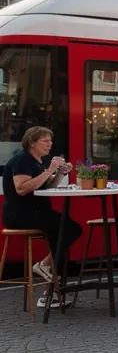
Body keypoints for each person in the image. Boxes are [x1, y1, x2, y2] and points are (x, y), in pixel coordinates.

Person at [1, 127, 80, 304]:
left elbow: (46, 186)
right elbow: (22, 189)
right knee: (67, 229)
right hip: (21, 214)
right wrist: (49, 170)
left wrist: (60, 173)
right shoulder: (22, 160)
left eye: (50, 141)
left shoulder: (37, 162)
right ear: (32, 143)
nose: (49, 144)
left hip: (37, 212)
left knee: (66, 231)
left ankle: (51, 290)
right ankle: (47, 275)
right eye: (45, 141)